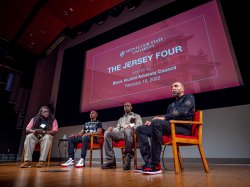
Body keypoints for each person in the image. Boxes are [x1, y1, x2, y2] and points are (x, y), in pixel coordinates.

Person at [136, 82, 195, 174]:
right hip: (171, 127)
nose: (173, 88)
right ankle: (148, 162)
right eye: (172, 87)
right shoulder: (171, 105)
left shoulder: (189, 97)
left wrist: (163, 118)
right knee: (140, 129)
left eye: (176, 86)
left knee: (156, 123)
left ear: (182, 89)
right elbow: (165, 121)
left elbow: (183, 111)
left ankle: (155, 164)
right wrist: (152, 123)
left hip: (183, 128)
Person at [102, 102, 143, 170]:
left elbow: (139, 125)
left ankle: (127, 156)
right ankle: (111, 160)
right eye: (125, 106)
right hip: (121, 133)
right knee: (107, 133)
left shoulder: (136, 116)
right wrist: (112, 129)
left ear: (131, 107)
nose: (126, 107)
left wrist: (130, 126)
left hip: (131, 133)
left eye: (128, 106)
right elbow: (117, 128)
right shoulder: (121, 119)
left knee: (128, 130)